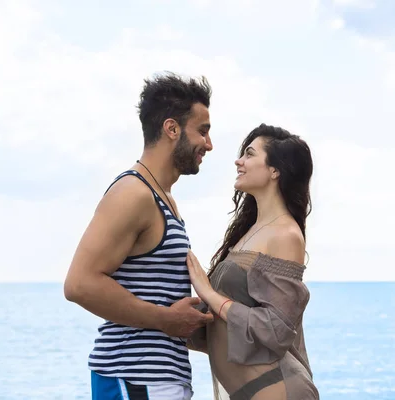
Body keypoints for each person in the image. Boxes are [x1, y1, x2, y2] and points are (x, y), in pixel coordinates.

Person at [64, 72, 215, 400]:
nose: (209, 144)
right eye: (202, 131)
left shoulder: (164, 198)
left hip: (155, 380)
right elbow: (79, 284)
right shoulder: (134, 193)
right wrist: (166, 319)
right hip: (133, 379)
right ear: (172, 128)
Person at [185, 123, 319, 400]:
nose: (239, 161)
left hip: (279, 390)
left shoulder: (286, 233)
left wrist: (208, 293)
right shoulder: (250, 231)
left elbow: (276, 328)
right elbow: (228, 323)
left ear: (274, 170)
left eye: (249, 154)